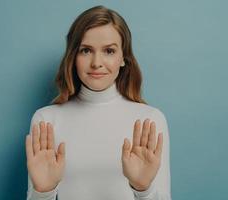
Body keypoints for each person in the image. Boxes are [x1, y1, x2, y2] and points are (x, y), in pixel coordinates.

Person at [25, 5, 171, 200]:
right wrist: (43, 192)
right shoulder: (46, 120)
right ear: (73, 57)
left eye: (109, 51)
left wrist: (143, 189)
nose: (96, 62)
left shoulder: (150, 120)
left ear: (123, 58)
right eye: (86, 50)